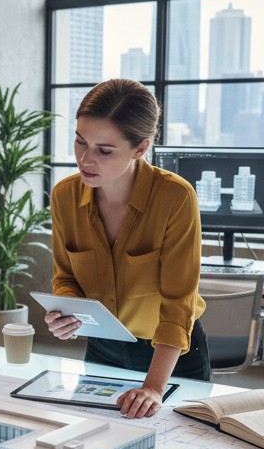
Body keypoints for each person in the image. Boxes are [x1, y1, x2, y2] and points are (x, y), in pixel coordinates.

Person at [45, 79, 208, 418]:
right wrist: (66, 314)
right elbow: (65, 277)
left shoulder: (175, 198)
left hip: (169, 354)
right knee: (98, 442)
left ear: (140, 148)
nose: (85, 159)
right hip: (103, 347)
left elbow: (179, 303)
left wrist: (153, 387)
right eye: (80, 141)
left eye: (104, 150)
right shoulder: (64, 195)